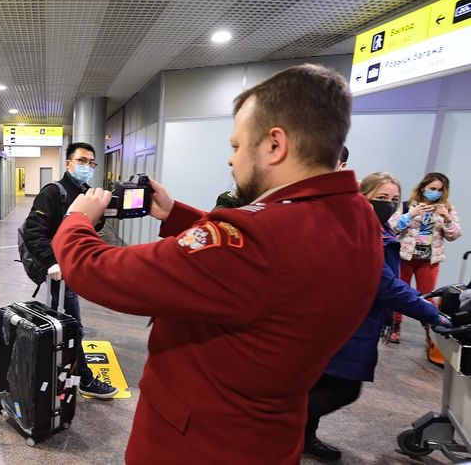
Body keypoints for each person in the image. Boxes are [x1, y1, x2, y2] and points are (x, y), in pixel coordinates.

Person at [51, 64, 383, 463]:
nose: (231, 160)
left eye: (237, 146)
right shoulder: (357, 216)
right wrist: (178, 216)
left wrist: (76, 221)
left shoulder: (256, 239)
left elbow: (99, 271)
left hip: (197, 443)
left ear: (275, 145)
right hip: (269, 437)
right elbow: (261, 268)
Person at [303, 172, 451, 461]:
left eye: (395, 199)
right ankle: (276, 424)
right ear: (362, 196)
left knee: (323, 383)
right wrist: (431, 314)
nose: (389, 204)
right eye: (381, 198)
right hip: (347, 323)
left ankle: (304, 437)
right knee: (343, 389)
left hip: (348, 318)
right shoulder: (364, 232)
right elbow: (388, 286)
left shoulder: (374, 227)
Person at [20, 141, 118, 399]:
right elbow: (33, 231)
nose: (87, 166)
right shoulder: (54, 192)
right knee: (72, 325)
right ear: (69, 163)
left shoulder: (86, 192)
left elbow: (87, 229)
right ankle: (84, 379)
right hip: (58, 273)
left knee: (63, 325)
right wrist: (51, 261)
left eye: (91, 162)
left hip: (73, 269)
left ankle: (54, 370)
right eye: (82, 161)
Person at [387, 172, 462, 348]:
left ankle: (432, 334)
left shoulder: (447, 209)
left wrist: (447, 218)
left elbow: (455, 235)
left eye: (439, 190)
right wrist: (409, 215)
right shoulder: (407, 205)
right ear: (423, 187)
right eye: (432, 188)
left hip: (428, 260)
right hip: (405, 257)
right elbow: (391, 227)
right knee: (400, 294)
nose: (435, 192)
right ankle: (395, 326)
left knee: (428, 297)